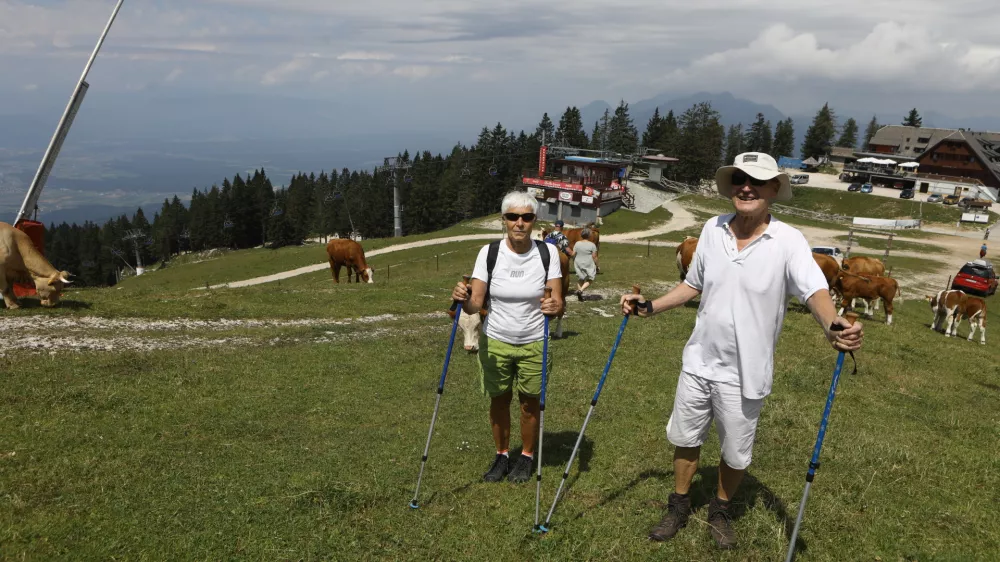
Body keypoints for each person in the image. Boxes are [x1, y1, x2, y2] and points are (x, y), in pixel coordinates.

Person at [620, 152, 864, 550]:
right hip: (698, 361)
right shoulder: (713, 229)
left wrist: (831, 323)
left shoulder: (788, 240)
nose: (745, 187)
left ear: (773, 190)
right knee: (686, 437)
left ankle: (720, 509)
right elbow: (693, 285)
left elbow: (814, 290)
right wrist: (652, 307)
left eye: (756, 181)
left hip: (746, 370)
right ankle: (679, 505)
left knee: (735, 452)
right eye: (738, 180)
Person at [452, 191, 563, 484]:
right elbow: (476, 303)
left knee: (530, 404)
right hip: (496, 340)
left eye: (526, 217)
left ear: (534, 221)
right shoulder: (489, 253)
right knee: (499, 401)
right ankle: (502, 455)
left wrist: (555, 306)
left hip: (534, 341)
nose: (519, 223)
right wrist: (462, 300)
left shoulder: (547, 252)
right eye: (513, 217)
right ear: (503, 220)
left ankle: (525, 457)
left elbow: (558, 301)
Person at [573, 228, 599, 300]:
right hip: (588, 263)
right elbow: (594, 256)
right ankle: (581, 290)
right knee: (591, 278)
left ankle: (579, 292)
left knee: (581, 278)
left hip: (578, 262)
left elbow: (573, 253)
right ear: (589, 235)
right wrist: (597, 265)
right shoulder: (592, 245)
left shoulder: (577, 243)